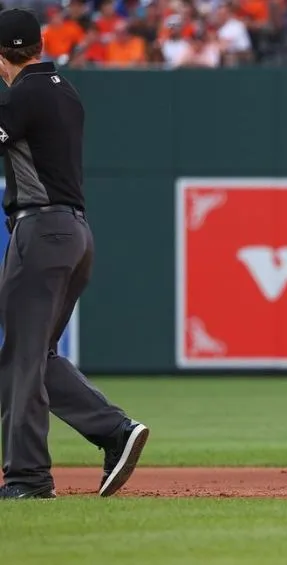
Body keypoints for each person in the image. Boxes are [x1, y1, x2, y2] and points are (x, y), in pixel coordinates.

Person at [0, 8, 149, 500]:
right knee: (34, 354)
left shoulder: (26, 93)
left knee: (23, 358)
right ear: (38, 46)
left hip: (41, 231)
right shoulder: (63, 88)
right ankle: (113, 430)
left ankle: (28, 479)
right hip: (73, 233)